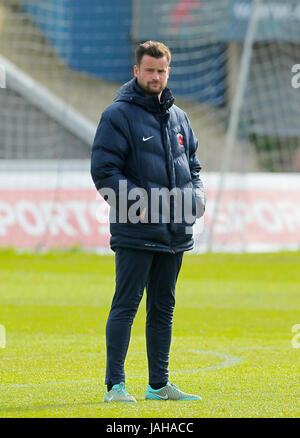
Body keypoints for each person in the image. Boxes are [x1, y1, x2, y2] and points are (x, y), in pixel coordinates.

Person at [91, 40, 206, 402]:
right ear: (136, 71)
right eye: (149, 70)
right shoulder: (117, 115)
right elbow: (104, 172)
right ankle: (115, 386)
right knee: (126, 306)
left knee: (164, 308)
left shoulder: (180, 118)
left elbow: (195, 168)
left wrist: (197, 197)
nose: (156, 76)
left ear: (168, 72)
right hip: (136, 231)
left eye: (162, 70)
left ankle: (158, 385)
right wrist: (145, 206)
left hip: (175, 234)